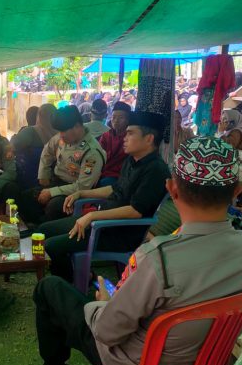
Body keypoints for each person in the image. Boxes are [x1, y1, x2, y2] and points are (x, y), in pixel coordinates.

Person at [21, 137, 242, 365]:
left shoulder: (157, 259)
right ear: (238, 191)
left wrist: (103, 305)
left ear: (172, 189)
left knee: (50, 289)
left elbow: (107, 332)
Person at [38, 111, 170, 282]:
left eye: (130, 133)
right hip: (100, 222)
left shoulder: (156, 170)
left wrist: (92, 216)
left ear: (149, 139)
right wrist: (81, 192)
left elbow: (136, 211)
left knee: (52, 246)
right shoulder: (132, 160)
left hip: (118, 232)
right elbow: (114, 188)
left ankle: (70, 284)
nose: (124, 137)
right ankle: (80, 275)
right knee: (43, 231)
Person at [19, 106, 105, 223]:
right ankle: (32, 229)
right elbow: (47, 150)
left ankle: (41, 233)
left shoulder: (92, 152)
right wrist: (44, 174)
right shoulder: (63, 137)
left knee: (53, 207)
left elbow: (83, 187)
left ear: (77, 126)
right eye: (60, 131)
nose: (61, 135)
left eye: (63, 131)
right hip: (56, 182)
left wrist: (51, 192)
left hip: (74, 192)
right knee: (25, 197)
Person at [97, 102, 132, 186]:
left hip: (119, 176)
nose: (116, 120)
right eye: (113, 117)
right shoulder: (106, 135)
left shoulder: (130, 138)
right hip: (101, 172)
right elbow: (98, 155)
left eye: (121, 117)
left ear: (128, 120)